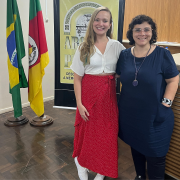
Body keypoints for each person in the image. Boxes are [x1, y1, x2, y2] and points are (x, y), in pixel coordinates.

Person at [116, 15, 179, 180]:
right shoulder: (124, 55)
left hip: (155, 115)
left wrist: (165, 104)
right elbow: (115, 77)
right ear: (132, 32)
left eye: (146, 29)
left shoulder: (162, 54)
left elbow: (173, 80)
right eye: (137, 29)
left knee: (156, 155)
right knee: (136, 147)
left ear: (152, 32)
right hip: (130, 114)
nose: (142, 33)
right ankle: (139, 176)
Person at [70, 6, 125, 180]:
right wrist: (79, 103)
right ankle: (81, 165)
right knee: (87, 133)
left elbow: (126, 69)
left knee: (107, 135)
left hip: (108, 97)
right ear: (92, 22)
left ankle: (101, 171)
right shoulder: (83, 47)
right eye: (98, 19)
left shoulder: (117, 46)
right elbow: (77, 78)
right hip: (88, 95)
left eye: (105, 20)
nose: (101, 23)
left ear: (110, 24)